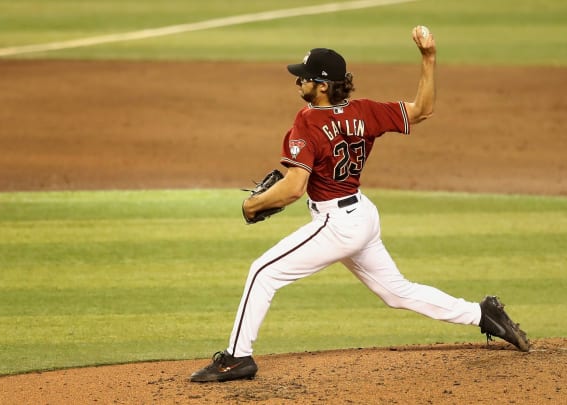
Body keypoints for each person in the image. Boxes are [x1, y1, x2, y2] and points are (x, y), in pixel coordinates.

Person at [190, 26, 530, 383]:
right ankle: (483, 314)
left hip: (336, 224)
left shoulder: (307, 122)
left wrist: (253, 205)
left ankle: (237, 358)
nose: (297, 83)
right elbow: (423, 110)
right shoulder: (365, 111)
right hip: (362, 215)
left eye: (304, 77)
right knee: (397, 292)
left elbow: (293, 189)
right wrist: (428, 58)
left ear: (322, 85)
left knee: (263, 272)